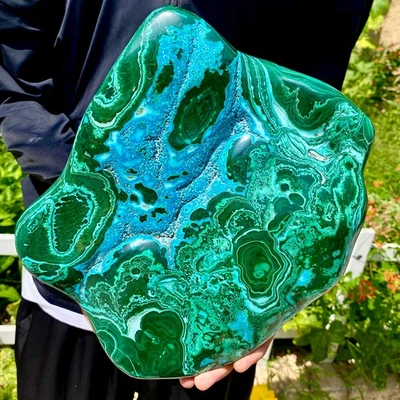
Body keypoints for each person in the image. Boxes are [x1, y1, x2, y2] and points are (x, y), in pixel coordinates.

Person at [0, 1, 373, 399]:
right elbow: (13, 71)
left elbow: (318, 106)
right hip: (70, 275)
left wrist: (271, 285)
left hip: (219, 304)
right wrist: (88, 202)